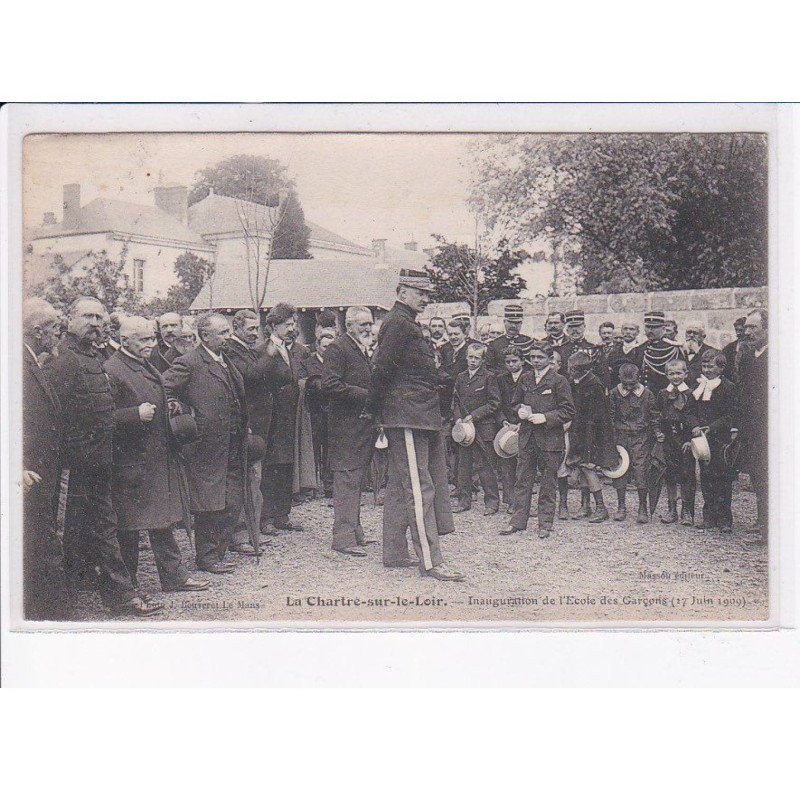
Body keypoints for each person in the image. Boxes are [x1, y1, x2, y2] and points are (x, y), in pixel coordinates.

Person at [46, 296, 162, 616]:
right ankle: (119, 597)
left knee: (87, 528)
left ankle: (75, 592)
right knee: (100, 528)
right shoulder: (64, 360)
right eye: (88, 317)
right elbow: (53, 416)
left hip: (98, 461)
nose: (95, 323)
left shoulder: (92, 356)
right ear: (69, 319)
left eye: (99, 318)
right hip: (77, 464)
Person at [364, 269, 463, 580]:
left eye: (427, 294)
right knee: (420, 488)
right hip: (408, 414)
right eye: (420, 293)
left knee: (399, 484)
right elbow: (381, 369)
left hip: (417, 414)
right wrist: (373, 411)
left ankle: (395, 553)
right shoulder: (398, 323)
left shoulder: (405, 323)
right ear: (402, 292)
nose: (425, 298)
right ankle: (431, 561)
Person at [105, 316, 208, 592]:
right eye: (143, 340)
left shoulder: (143, 363)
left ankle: (174, 577)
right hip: (131, 463)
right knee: (128, 528)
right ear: (125, 340)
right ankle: (127, 586)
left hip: (153, 460)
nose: (151, 344)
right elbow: (101, 418)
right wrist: (133, 415)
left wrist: (168, 404)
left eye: (152, 338)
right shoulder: (113, 369)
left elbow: (156, 391)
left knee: (161, 521)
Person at [163, 313, 251, 574]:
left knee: (233, 498)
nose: (228, 337)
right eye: (222, 333)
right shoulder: (189, 362)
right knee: (210, 503)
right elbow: (163, 389)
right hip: (206, 446)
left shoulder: (225, 360)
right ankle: (208, 556)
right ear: (205, 336)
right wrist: (181, 409)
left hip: (232, 441)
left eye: (228, 332)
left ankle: (219, 551)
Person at [223, 309, 292, 550]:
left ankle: (250, 532)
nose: (255, 333)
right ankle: (240, 535)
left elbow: (278, 378)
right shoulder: (232, 350)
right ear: (236, 328)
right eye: (250, 329)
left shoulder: (249, 350)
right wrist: (270, 354)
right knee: (247, 478)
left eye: (256, 328)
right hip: (248, 425)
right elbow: (250, 377)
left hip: (261, 425)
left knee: (255, 478)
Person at [22, 298, 72, 620]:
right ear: (39, 330)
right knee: (39, 539)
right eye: (55, 327)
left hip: (41, 470)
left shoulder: (31, 360)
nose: (58, 333)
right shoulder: (17, 364)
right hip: (31, 473)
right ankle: (51, 616)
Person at [501, 341, 575, 538]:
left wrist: (546, 417)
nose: (535, 361)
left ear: (550, 359)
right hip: (527, 438)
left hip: (550, 440)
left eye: (540, 357)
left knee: (548, 482)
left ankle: (545, 523)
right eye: (532, 357)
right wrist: (520, 410)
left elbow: (568, 411)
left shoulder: (559, 381)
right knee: (522, 480)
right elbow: (515, 402)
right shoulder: (525, 378)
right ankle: (517, 521)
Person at [322, 306, 379, 556]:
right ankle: (343, 538)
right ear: (349, 326)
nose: (368, 328)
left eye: (370, 324)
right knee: (347, 480)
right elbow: (330, 384)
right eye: (363, 324)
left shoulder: (359, 348)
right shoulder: (338, 348)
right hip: (345, 427)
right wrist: (366, 395)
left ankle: (355, 532)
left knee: (356, 479)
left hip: (360, 426)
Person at [261, 303, 306, 532]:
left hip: (289, 416)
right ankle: (266, 517)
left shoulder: (292, 351)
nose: (292, 329)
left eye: (293, 324)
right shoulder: (264, 351)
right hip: (271, 418)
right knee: (271, 467)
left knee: (287, 464)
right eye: (287, 325)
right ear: (272, 326)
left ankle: (282, 514)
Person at [564, 351, 619, 523]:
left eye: (572, 369)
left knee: (588, 468)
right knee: (581, 467)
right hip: (579, 431)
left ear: (582, 370)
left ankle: (601, 508)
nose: (569, 372)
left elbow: (596, 418)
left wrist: (588, 440)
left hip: (592, 434)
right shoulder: (578, 382)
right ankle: (585, 505)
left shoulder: (594, 385)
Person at [451, 341, 501, 515]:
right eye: (470, 357)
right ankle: (464, 501)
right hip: (464, 430)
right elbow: (455, 401)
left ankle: (492, 502)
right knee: (463, 467)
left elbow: (494, 403)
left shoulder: (489, 377)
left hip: (483, 428)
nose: (473, 361)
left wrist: (474, 415)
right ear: (466, 358)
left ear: (483, 360)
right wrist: (458, 418)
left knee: (484, 466)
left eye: (477, 358)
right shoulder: (461, 377)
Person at [692, 350, 738, 533]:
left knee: (723, 479)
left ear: (721, 368)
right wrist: (695, 425)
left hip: (720, 440)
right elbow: (690, 411)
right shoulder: (699, 386)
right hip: (703, 441)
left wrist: (712, 427)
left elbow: (731, 415)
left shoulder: (728, 387)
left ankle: (725, 519)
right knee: (706, 477)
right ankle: (709, 517)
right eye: (704, 366)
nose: (706, 370)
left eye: (710, 366)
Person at [609, 362, 659, 523]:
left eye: (633, 383)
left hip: (640, 437)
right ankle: (621, 506)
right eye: (626, 384)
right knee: (620, 470)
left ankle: (642, 507)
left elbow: (654, 415)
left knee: (640, 470)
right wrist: (611, 436)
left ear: (639, 378)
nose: (629, 388)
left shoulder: (647, 394)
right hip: (620, 436)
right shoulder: (614, 393)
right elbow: (610, 416)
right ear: (619, 378)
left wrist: (657, 431)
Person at [655, 358, 700, 525]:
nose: (675, 377)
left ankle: (687, 511)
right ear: (666, 375)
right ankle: (672, 509)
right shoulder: (663, 394)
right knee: (670, 475)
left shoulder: (691, 394)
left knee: (687, 476)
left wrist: (690, 440)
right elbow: (657, 414)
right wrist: (658, 432)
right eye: (671, 373)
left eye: (679, 373)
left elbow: (694, 417)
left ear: (686, 374)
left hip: (684, 440)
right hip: (668, 439)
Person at [737, 309, 769, 540]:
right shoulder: (747, 356)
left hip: (772, 428)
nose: (747, 332)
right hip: (752, 427)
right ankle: (763, 522)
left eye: (753, 327)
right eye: (746, 327)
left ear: (767, 329)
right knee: (758, 474)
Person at [300, 328, 337, 498]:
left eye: (331, 347)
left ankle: (329, 485)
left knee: (330, 450)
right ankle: (312, 486)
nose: (328, 350)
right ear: (317, 346)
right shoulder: (308, 363)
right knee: (313, 449)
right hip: (313, 413)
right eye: (325, 347)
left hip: (332, 412)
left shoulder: (336, 363)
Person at [496, 345, 529, 513]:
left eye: (514, 361)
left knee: (524, 466)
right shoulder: (500, 379)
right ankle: (510, 501)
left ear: (522, 361)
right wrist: (503, 421)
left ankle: (524, 502)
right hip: (507, 425)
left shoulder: (529, 377)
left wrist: (522, 422)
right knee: (506, 463)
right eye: (507, 362)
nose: (511, 364)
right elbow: (497, 402)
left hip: (525, 424)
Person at [633, 311, 684, 393]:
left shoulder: (672, 348)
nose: (650, 330)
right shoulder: (640, 348)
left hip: (664, 393)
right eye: (648, 327)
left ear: (663, 329)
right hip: (643, 393)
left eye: (655, 327)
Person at [485, 304, 534, 372]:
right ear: (504, 322)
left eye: (517, 323)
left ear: (521, 323)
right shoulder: (494, 344)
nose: (513, 326)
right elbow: (489, 367)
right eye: (510, 322)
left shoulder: (529, 342)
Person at [721, 317, 747, 383]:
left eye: (741, 330)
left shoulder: (753, 347)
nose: (738, 333)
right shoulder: (729, 348)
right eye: (736, 330)